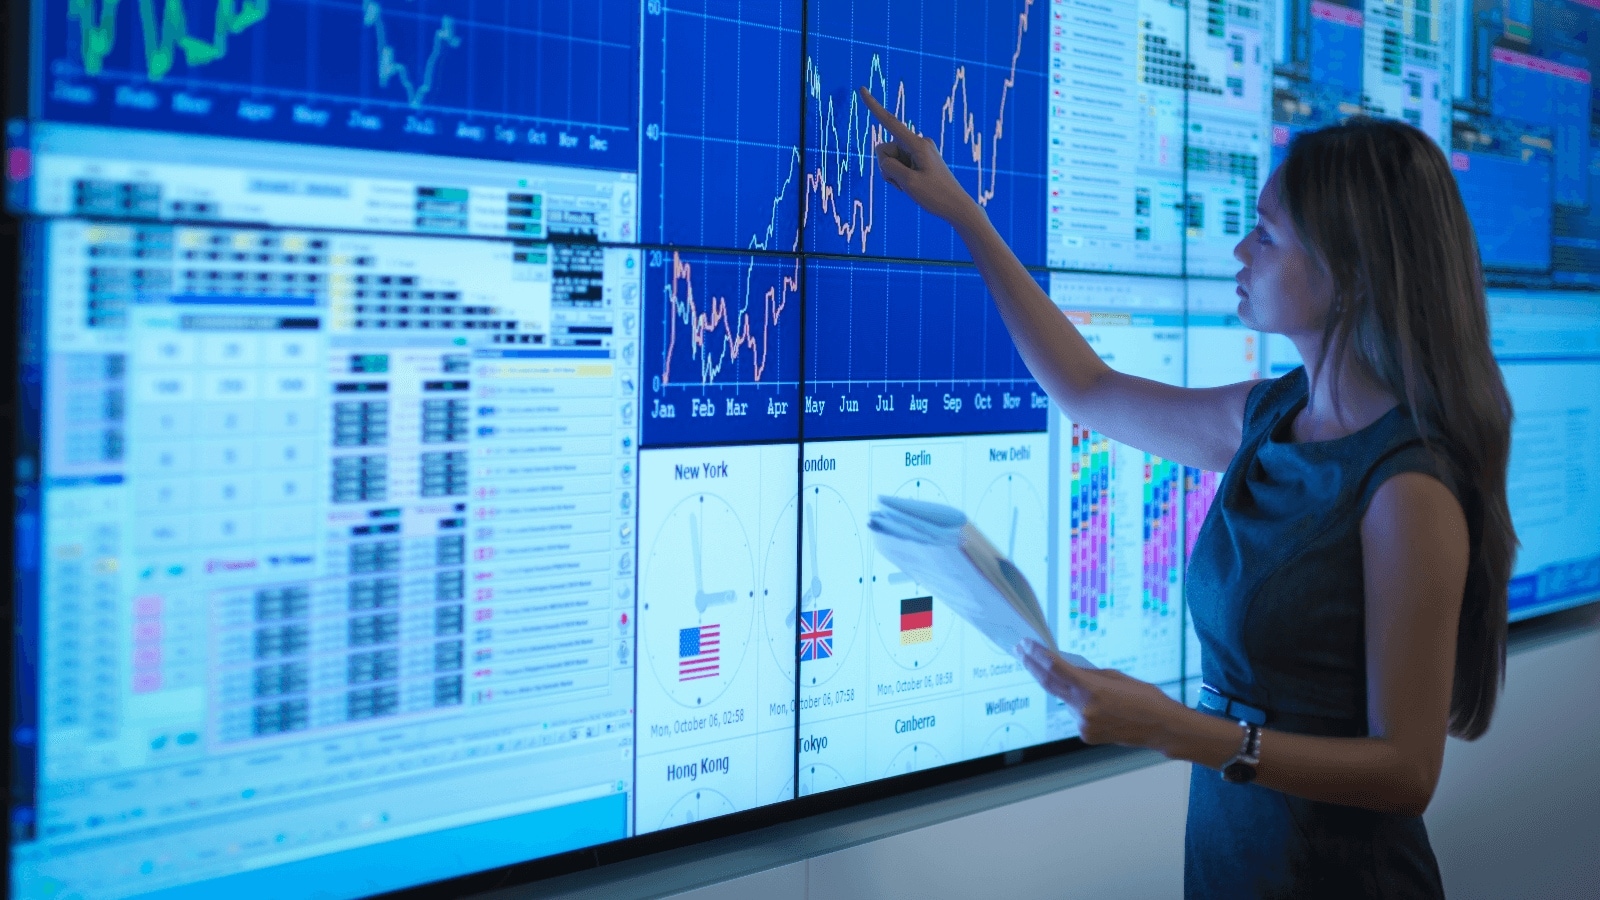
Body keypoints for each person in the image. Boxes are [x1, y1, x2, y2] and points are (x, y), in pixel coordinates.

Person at [858, 88, 1516, 898]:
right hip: (1234, 862)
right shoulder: (1273, 416)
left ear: (1348, 276)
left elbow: (1408, 771)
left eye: (1267, 235)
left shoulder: (1407, 489)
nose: (1241, 250)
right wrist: (965, 215)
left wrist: (1182, 730)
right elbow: (1087, 388)